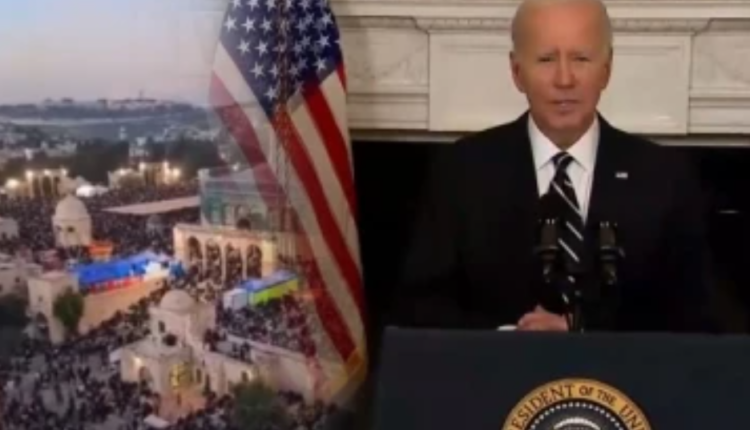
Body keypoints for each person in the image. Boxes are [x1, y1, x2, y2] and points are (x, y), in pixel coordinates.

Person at [389, 0, 715, 333]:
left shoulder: (663, 176)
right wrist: (511, 339)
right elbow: (418, 309)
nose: (564, 79)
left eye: (581, 59)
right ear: (517, 72)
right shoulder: (462, 171)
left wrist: (582, 330)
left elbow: (697, 318)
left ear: (607, 70)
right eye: (546, 59)